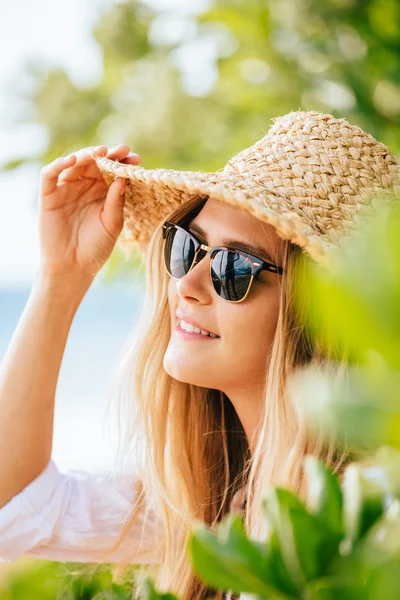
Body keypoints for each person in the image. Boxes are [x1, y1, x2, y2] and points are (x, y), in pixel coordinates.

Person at [0, 110, 399, 600]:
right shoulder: (213, 502)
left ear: (319, 316)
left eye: (233, 268)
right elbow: (13, 508)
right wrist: (60, 280)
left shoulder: (370, 523)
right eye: (189, 247)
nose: (186, 285)